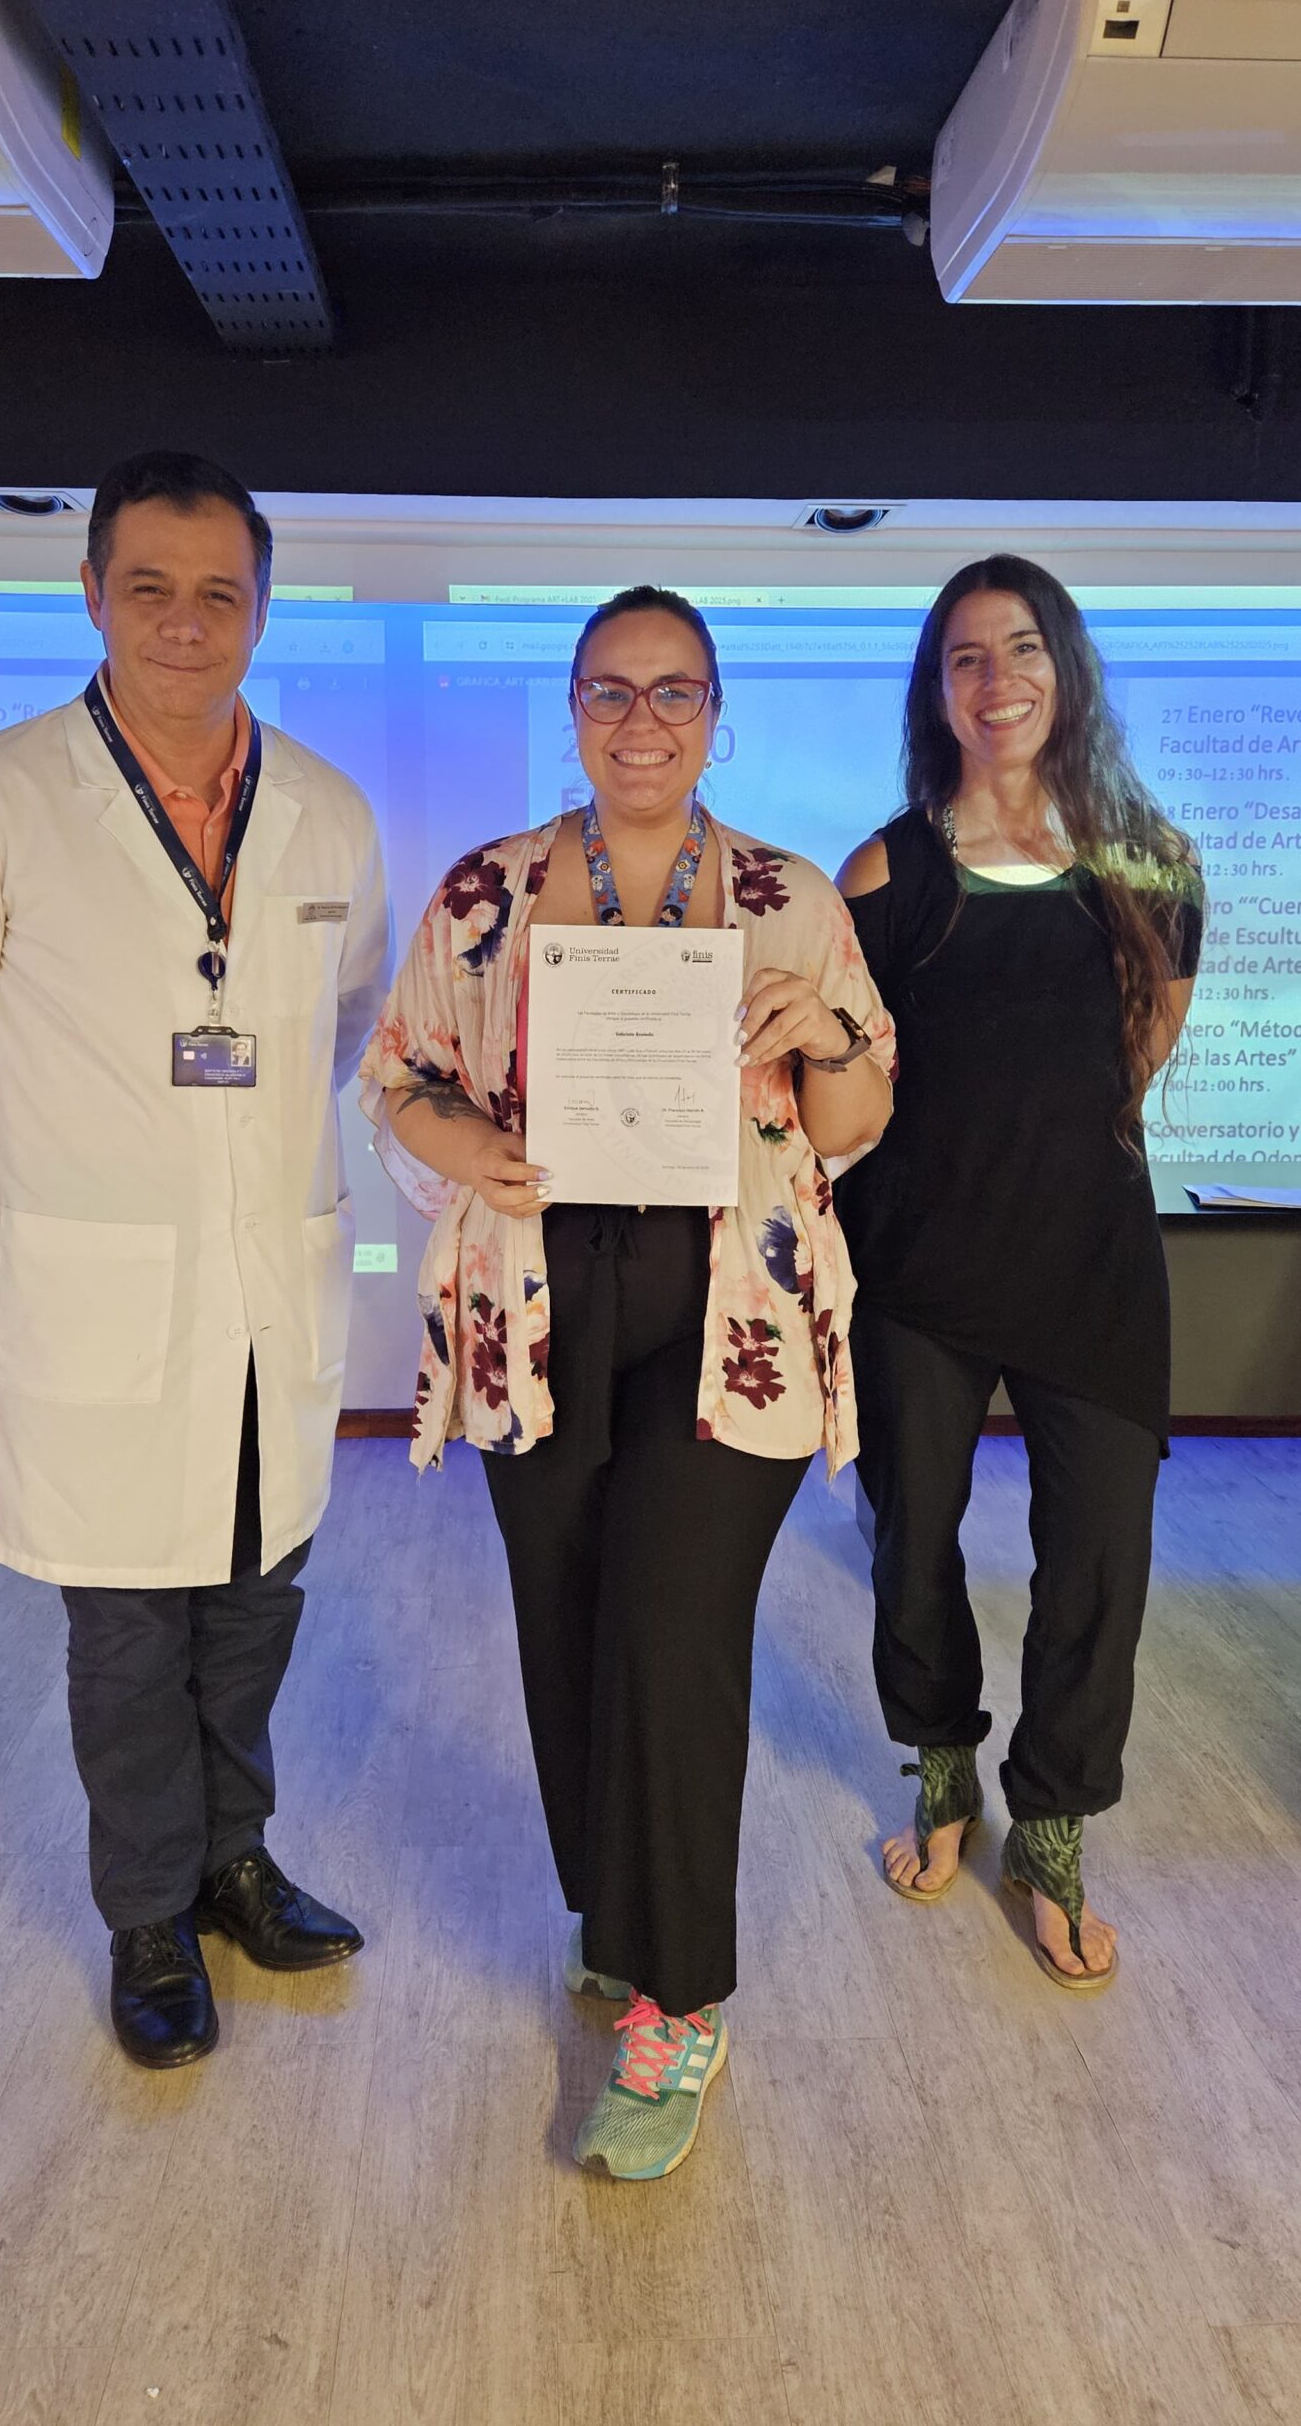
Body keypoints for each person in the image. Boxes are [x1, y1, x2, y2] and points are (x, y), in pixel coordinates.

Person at [0, 452, 391, 2068]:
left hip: (269, 1285)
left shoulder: (325, 807)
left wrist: (227, 1160)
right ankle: (149, 1914)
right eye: (148, 588)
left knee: (254, 1601)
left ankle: (237, 1860)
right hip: (102, 1291)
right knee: (128, 1629)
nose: (183, 623)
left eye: (218, 593)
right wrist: (64, 1160)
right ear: (91, 593)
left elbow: (346, 1017)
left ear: (260, 612)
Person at [362, 585, 894, 2178]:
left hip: (733, 1315)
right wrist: (471, 1145)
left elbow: (856, 1120)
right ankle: (615, 1905)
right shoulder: (486, 889)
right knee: (569, 1616)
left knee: (671, 1623)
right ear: (573, 708)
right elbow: (399, 1076)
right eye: (609, 689)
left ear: (715, 716)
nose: (640, 720)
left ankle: (679, 2000)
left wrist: (824, 1040)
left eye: (673, 692)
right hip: (535, 1303)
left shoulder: (787, 899)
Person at [834, 554, 1202, 1991]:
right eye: (967, 658)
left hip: (1091, 1269)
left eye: (1023, 649)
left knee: (1098, 1559)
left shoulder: (1153, 863)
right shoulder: (887, 871)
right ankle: (942, 1766)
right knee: (910, 1535)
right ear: (937, 690)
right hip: (916, 1267)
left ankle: (1050, 1825)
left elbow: (1137, 1059)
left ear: (1067, 669)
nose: (998, 682)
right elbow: (853, 1080)